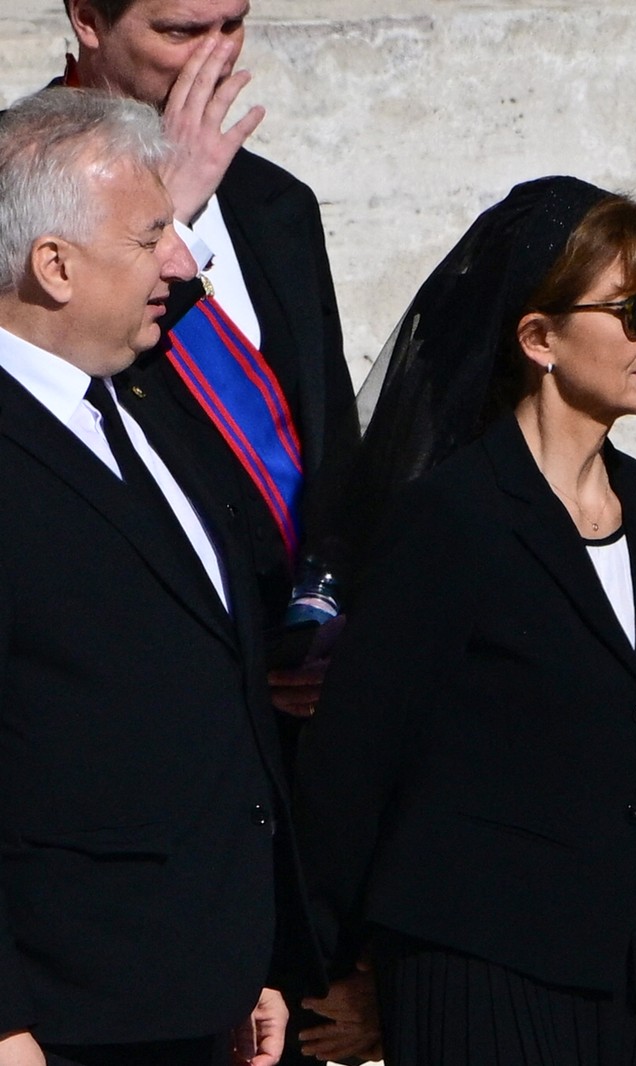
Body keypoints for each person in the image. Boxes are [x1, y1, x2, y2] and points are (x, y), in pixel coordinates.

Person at [293, 176, 636, 1065]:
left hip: (631, 976)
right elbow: (353, 764)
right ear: (540, 338)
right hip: (480, 974)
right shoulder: (455, 518)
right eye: (633, 311)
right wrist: (334, 971)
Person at [0, 87, 315, 1066]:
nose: (181, 264)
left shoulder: (144, 409)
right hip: (68, 1015)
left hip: (202, 991)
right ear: (53, 265)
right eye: (149, 239)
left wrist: (255, 953)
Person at [57, 0, 357, 668]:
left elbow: (330, 432)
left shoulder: (277, 203)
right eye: (181, 32)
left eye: (232, 25)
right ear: (88, 18)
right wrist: (170, 213)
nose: (217, 57)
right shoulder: (16, 187)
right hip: (139, 665)